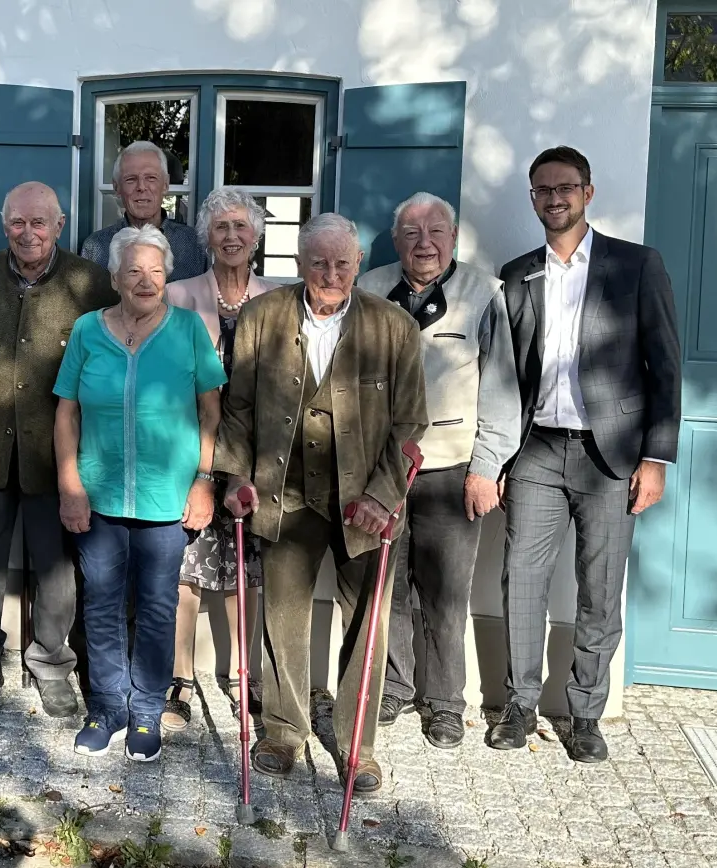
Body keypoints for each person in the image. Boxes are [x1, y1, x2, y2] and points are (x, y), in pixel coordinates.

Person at [218, 213, 428, 793]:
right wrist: (233, 476)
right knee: (282, 616)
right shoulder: (262, 317)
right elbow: (237, 407)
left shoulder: (393, 327)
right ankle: (284, 730)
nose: (330, 273)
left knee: (367, 623)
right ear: (298, 264)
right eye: (318, 262)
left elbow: (411, 423)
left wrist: (384, 497)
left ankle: (356, 744)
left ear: (358, 264)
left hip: (366, 502)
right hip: (284, 494)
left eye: (342, 262)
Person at [490, 146, 681, 763]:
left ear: (588, 193)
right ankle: (518, 704)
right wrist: (494, 455)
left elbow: (666, 368)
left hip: (613, 455)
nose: (555, 199)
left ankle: (586, 713)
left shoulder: (635, 265)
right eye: (543, 190)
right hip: (537, 450)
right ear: (532, 197)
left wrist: (655, 458)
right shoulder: (516, 273)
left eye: (566, 188)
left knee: (600, 589)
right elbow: (502, 375)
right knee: (523, 579)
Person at [53, 224, 226, 763]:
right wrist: (69, 485)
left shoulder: (190, 329)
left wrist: (204, 480)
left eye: (155, 271)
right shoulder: (86, 329)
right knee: (100, 604)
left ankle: (147, 711)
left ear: (168, 276)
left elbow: (210, 412)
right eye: (134, 271)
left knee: (156, 606)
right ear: (115, 277)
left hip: (166, 496)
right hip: (99, 494)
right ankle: (106, 706)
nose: (145, 281)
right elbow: (66, 412)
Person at [354, 192, 519, 750]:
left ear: (453, 239)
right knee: (390, 584)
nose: (424, 244)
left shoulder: (485, 293)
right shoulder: (369, 289)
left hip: (453, 466)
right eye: (411, 233)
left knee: (447, 592)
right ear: (395, 239)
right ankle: (396, 686)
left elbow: (502, 388)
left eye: (436, 232)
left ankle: (446, 702)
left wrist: (488, 466)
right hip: (383, 467)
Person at [0, 181, 114, 718]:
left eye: (39, 223)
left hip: (56, 455)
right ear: (4, 226)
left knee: (55, 568)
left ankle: (50, 665)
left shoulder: (91, 285)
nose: (28, 233)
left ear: (60, 226)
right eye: (18, 222)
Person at [162, 187, 279, 731]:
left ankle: (241, 677)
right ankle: (177, 678)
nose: (231, 236)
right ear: (204, 237)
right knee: (185, 571)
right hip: (193, 448)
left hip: (254, 455)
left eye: (241, 227)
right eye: (220, 227)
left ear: (255, 237)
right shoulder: (180, 294)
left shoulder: (278, 297)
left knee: (245, 573)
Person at [79, 142, 206, 281]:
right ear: (117, 187)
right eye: (131, 179)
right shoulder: (95, 248)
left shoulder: (194, 245)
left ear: (166, 184)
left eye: (151, 178)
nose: (141, 187)